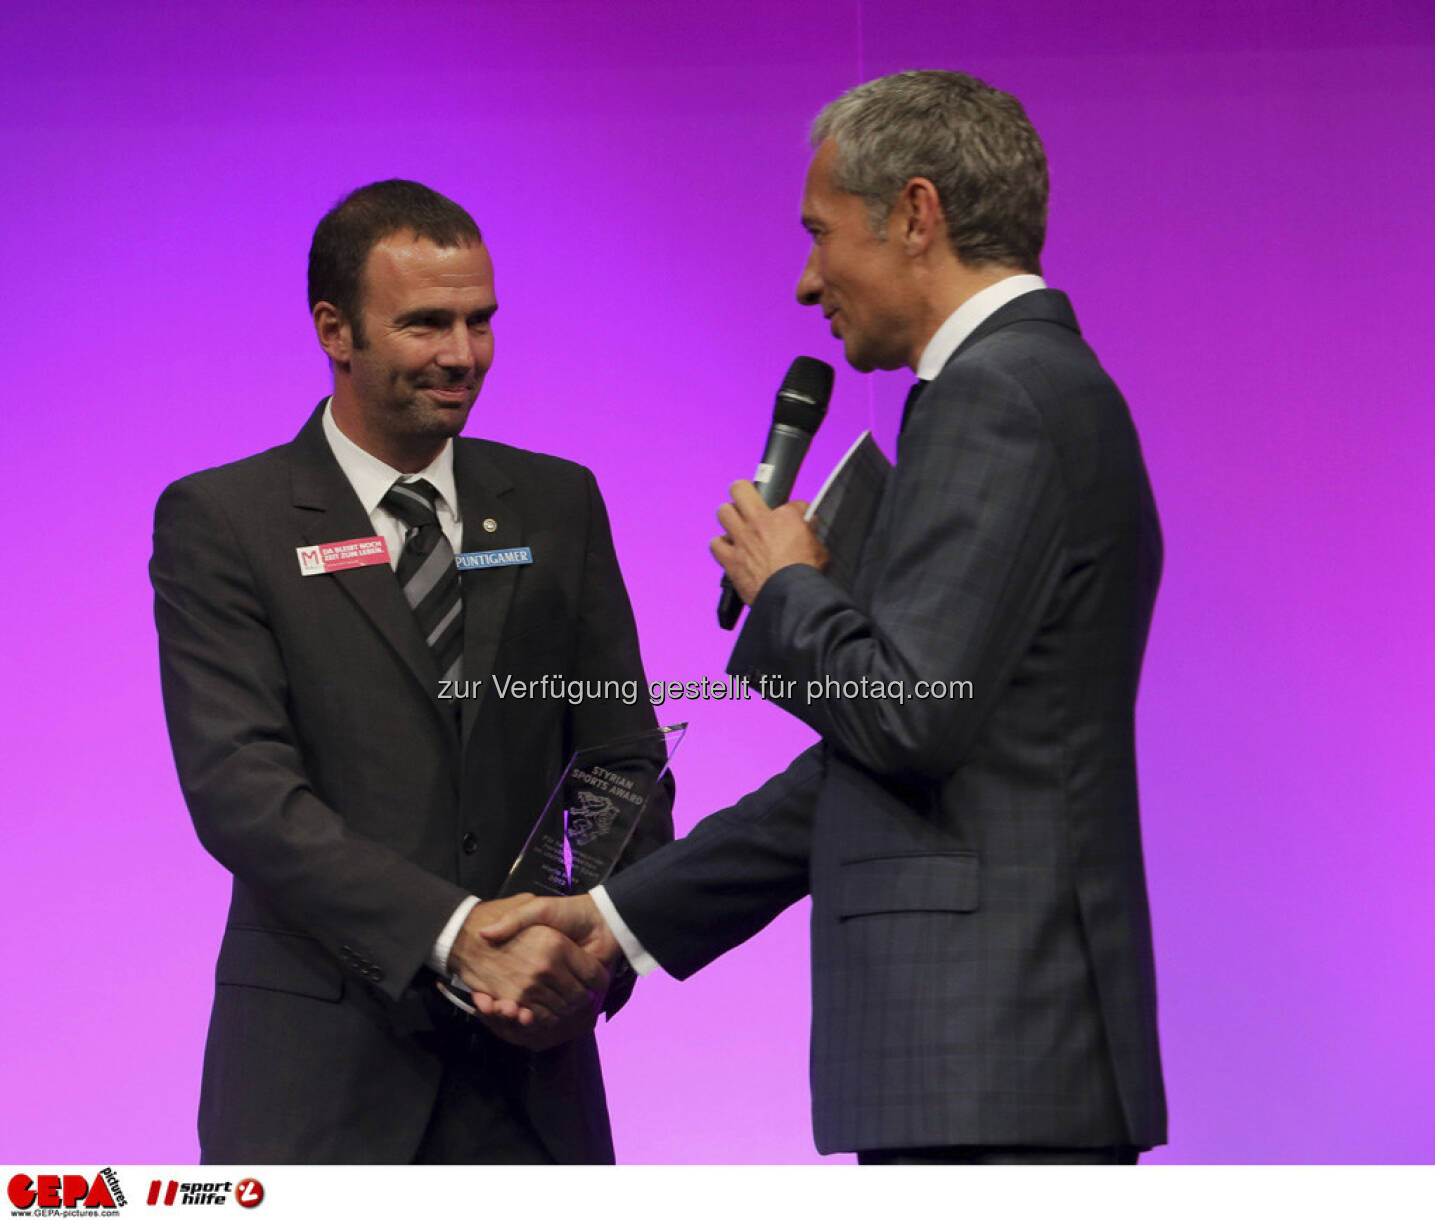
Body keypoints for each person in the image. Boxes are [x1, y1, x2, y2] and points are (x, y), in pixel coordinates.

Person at [478, 71, 1167, 1164]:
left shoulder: (999, 396)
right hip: (988, 1065)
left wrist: (786, 583)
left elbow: (905, 717)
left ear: (915, 214)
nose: (807, 282)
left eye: (819, 232)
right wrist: (614, 920)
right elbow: (875, 772)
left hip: (990, 1058)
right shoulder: (1027, 388)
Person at [150, 179, 672, 1164]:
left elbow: (619, 758)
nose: (462, 355)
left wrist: (585, 947)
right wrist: (453, 931)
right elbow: (245, 792)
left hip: (534, 1082)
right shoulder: (226, 521)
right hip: (318, 1082)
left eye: (480, 321)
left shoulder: (557, 502)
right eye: (426, 323)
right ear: (334, 329)